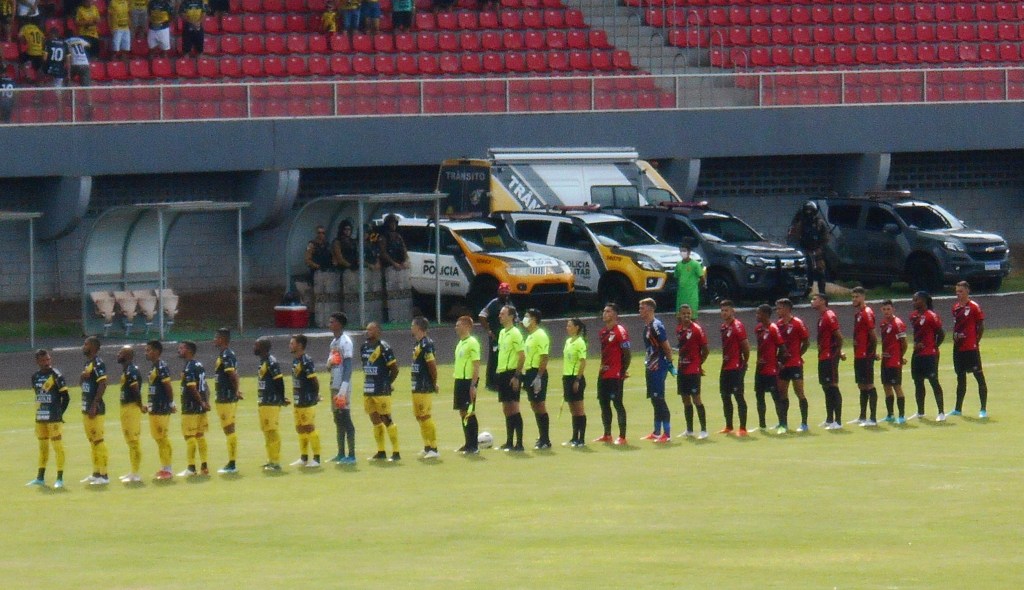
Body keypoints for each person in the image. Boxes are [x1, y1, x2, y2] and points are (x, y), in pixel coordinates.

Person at [27, 349, 69, 488]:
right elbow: (39, 395)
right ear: (38, 362)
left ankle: (60, 478)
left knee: (57, 447)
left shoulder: (56, 375)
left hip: (54, 418)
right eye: (43, 360)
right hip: (41, 417)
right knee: (43, 448)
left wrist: (59, 414)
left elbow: (66, 397)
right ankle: (40, 478)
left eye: (48, 359)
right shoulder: (35, 376)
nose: (46, 363)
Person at [361, 322, 400, 461]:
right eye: (367, 330)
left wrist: (387, 383)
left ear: (378, 331)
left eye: (371, 330)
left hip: (381, 390)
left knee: (386, 419)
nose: (368, 332)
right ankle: (381, 451)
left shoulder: (384, 347)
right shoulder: (364, 347)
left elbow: (394, 369)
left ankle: (396, 452)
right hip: (368, 389)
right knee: (374, 420)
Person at [951, 281, 988, 418]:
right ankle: (958, 409)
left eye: (961, 291)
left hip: (971, 348)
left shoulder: (974, 307)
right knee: (960, 378)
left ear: (967, 291)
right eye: (957, 291)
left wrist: (975, 341)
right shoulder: (955, 308)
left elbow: (981, 326)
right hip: (958, 348)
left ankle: (983, 409)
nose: (958, 294)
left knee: (979, 377)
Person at [639, 297, 673, 442]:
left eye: (642, 308)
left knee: (659, 399)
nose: (640, 310)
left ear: (650, 309)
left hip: (658, 366)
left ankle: (667, 433)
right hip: (651, 365)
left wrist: (669, 363)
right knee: (654, 398)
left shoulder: (656, 326)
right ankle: (656, 431)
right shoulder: (647, 326)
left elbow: (666, 346)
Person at [595, 302, 630, 444]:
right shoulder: (603, 332)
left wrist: (622, 370)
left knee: (617, 403)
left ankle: (622, 436)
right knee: (603, 403)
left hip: (615, 375)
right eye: (604, 311)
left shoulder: (620, 331)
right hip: (603, 374)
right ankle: (607, 434)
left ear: (615, 314)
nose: (605, 314)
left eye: (608, 311)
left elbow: (627, 354)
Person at [909, 291, 945, 421]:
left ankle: (941, 412)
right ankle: (920, 412)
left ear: (924, 301)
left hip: (929, 355)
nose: (914, 302)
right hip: (917, 354)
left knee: (933, 381)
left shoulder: (931, 316)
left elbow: (941, 334)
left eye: (916, 300)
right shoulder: (913, 316)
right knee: (918, 382)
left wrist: (933, 346)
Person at [254, 336, 289, 472]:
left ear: (263, 348)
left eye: (256, 345)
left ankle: (276, 462)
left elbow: (279, 381)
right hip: (264, 401)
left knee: (272, 431)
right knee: (267, 432)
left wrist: (281, 398)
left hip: (271, 402)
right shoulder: (263, 361)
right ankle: (270, 460)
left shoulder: (271, 362)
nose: (254, 348)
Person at [775, 298, 810, 432]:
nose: (777, 311)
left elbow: (806, 342)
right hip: (782, 365)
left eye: (779, 308)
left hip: (795, 364)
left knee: (799, 392)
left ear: (787, 309)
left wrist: (798, 355)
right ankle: (783, 423)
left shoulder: (797, 323)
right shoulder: (778, 325)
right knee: (782, 393)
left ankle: (804, 423)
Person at [78, 336, 109, 485]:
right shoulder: (88, 364)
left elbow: (103, 384)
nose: (83, 346)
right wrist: (82, 377)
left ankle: (104, 475)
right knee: (92, 442)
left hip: (94, 409)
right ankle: (96, 473)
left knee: (98, 440)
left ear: (93, 347)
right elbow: (82, 384)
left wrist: (94, 404)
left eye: (86, 344)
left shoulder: (98, 363)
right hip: (86, 407)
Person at [675, 304, 709, 439]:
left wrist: (698, 364)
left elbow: (705, 350)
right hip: (682, 369)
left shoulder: (697, 329)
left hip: (693, 370)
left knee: (696, 399)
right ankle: (689, 430)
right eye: (684, 314)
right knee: (685, 399)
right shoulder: (679, 329)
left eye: (688, 313)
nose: (686, 316)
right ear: (679, 315)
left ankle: (704, 430)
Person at [177, 340, 210, 477]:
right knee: (200, 436)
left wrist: (201, 402)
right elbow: (205, 386)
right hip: (201, 408)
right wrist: (206, 402)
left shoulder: (189, 367)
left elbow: (192, 387)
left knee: (189, 436)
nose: (179, 350)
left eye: (182, 348)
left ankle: (191, 468)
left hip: (191, 407)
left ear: (189, 350)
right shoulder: (199, 365)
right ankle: (204, 466)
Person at [812, 293, 845, 430]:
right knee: (826, 387)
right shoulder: (822, 317)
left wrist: (837, 353)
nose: (812, 301)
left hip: (829, 356)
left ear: (823, 301)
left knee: (832, 386)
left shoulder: (829, 316)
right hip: (823, 356)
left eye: (815, 299)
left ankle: (838, 421)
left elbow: (839, 337)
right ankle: (829, 419)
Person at [496, 304, 525, 451]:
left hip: (511, 373)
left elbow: (522, 356)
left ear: (511, 317)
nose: (500, 316)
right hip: (502, 372)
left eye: (503, 314)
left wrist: (516, 376)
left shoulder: (515, 333)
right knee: (506, 408)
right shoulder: (502, 333)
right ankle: (509, 441)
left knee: (514, 407)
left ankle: (519, 443)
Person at [290, 334, 323, 467]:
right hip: (298, 399)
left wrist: (315, 395)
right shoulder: (295, 361)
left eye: (292, 343)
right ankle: (303, 457)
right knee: (300, 428)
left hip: (307, 400)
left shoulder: (306, 360)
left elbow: (314, 380)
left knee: (309, 427)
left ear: (299, 345)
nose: (290, 345)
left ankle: (316, 458)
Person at [718, 300, 750, 436]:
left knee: (738, 396)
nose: (724, 313)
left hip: (736, 367)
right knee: (725, 396)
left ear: (732, 311)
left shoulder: (738, 326)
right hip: (725, 366)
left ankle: (742, 427)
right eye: (722, 310)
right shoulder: (723, 327)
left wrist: (744, 363)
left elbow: (745, 346)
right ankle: (729, 426)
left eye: (726, 310)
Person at [145, 340, 176, 480]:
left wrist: (171, 402)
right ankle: (164, 467)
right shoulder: (154, 366)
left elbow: (168, 386)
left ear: (156, 352)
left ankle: (168, 469)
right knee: (158, 438)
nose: (146, 353)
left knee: (162, 437)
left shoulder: (161, 366)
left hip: (161, 407)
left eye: (149, 350)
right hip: (155, 407)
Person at [754, 303, 787, 434]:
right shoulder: (758, 329)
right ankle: (762, 425)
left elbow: (783, 348)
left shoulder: (773, 328)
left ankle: (782, 424)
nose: (757, 315)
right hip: (760, 369)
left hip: (770, 370)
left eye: (759, 313)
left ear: (766, 315)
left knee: (776, 397)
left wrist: (778, 361)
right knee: (759, 396)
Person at [327, 312, 356, 464]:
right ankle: (340, 453)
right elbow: (331, 365)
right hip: (334, 384)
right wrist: (329, 363)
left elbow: (348, 366)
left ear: (339, 324)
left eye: (332, 322)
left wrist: (344, 388)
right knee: (337, 418)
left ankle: (351, 455)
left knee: (345, 418)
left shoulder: (346, 342)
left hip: (342, 386)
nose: (330, 324)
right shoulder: (333, 343)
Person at [213, 328, 242, 474]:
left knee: (229, 429)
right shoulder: (224, 354)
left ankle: (232, 464)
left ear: (222, 339)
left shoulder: (227, 354)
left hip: (227, 397)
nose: (214, 340)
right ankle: (231, 462)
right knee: (227, 429)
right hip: (223, 397)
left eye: (216, 337)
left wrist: (236, 390)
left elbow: (233, 374)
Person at [410, 316, 440, 458]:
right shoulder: (418, 344)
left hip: (423, 385)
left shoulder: (427, 344)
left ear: (418, 327)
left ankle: (434, 448)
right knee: (419, 417)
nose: (411, 328)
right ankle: (427, 446)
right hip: (416, 385)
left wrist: (434, 383)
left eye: (412, 326)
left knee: (425, 416)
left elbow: (432, 365)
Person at [522, 308, 551, 450]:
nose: (524, 319)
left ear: (533, 319)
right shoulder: (530, 336)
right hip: (529, 372)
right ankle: (542, 436)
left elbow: (544, 357)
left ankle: (545, 439)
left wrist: (539, 376)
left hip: (536, 372)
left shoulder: (540, 335)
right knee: (534, 404)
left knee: (539, 404)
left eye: (527, 316)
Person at [116, 345, 145, 483]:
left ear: (128, 355)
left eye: (121, 352)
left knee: (133, 441)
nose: (118, 354)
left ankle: (135, 473)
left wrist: (140, 405)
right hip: (126, 408)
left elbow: (135, 390)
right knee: (130, 441)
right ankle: (132, 471)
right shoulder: (127, 370)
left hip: (132, 408)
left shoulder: (131, 370)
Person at [452, 315, 481, 454]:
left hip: (468, 381)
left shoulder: (472, 342)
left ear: (467, 326)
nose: (456, 327)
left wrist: (473, 385)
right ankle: (467, 443)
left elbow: (476, 365)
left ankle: (474, 445)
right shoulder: (460, 343)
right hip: (459, 380)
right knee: (462, 412)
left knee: (469, 412)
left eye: (458, 325)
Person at [850, 287, 879, 426]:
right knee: (861, 385)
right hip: (859, 355)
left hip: (865, 355)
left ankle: (872, 419)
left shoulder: (867, 313)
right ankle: (862, 416)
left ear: (863, 297)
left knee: (869, 384)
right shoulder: (859, 314)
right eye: (853, 297)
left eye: (856, 297)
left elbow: (873, 336)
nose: (854, 299)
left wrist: (871, 353)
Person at [788, 201, 829, 295]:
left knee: (821, 272)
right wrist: (801, 251)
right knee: (806, 271)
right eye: (807, 210)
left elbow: (825, 238)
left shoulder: (820, 223)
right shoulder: (799, 223)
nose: (809, 213)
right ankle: (805, 292)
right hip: (804, 250)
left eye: (811, 210)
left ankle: (822, 294)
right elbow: (794, 237)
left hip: (817, 250)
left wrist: (819, 249)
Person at [478, 281, 512, 391]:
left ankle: (502, 381)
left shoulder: (509, 304)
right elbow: (482, 315)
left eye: (506, 292)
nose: (504, 294)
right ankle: (490, 382)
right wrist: (488, 330)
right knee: (494, 359)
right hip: (495, 336)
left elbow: (515, 317)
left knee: (505, 358)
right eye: (503, 292)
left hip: (507, 336)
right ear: (498, 292)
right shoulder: (494, 303)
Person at [878, 299, 908, 424]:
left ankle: (901, 416)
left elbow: (904, 343)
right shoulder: (883, 323)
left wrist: (899, 356)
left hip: (894, 361)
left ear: (893, 309)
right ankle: (890, 414)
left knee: (897, 387)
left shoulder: (898, 323)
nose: (886, 311)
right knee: (886, 386)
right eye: (884, 309)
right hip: (885, 360)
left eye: (888, 309)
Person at [560, 317, 588, 447]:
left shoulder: (580, 342)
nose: (567, 328)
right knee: (572, 410)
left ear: (577, 328)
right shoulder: (568, 341)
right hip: (567, 377)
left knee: (579, 410)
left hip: (575, 377)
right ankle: (574, 437)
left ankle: (581, 439)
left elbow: (582, 362)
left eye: (570, 326)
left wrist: (578, 379)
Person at [674, 244, 705, 313]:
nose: (682, 253)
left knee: (692, 315)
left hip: (692, 295)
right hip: (681, 295)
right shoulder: (678, 265)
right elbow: (676, 278)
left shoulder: (695, 264)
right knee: (680, 315)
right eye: (681, 251)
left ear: (689, 252)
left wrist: (696, 287)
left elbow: (702, 279)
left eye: (684, 251)